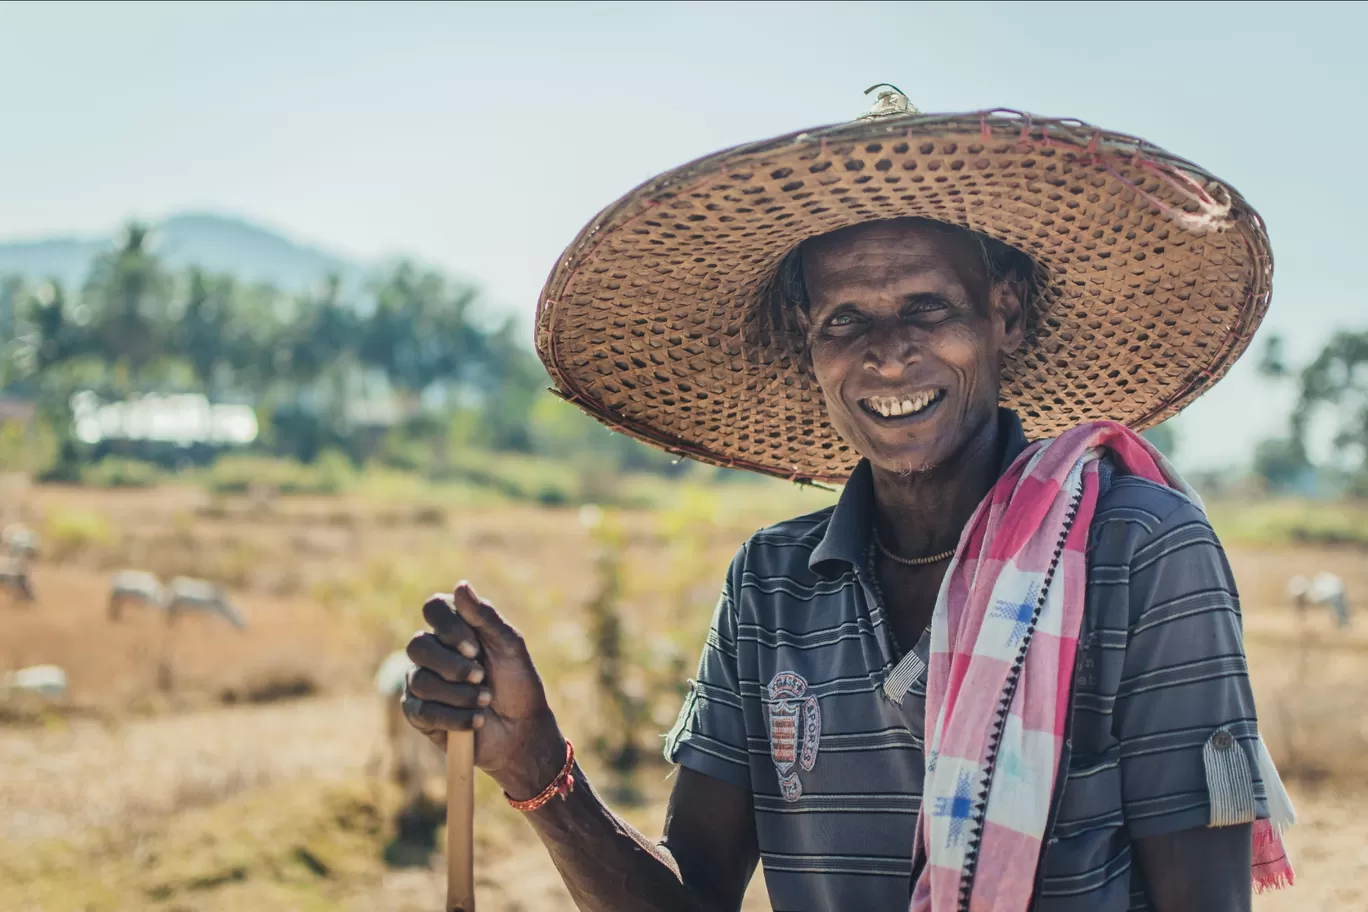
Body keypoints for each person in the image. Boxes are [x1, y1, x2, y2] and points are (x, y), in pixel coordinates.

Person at [400, 87, 1295, 911]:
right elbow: (693, 897)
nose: (889, 353)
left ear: (1006, 315)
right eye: (846, 321)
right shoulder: (771, 586)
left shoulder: (1139, 552)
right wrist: (534, 766)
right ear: (810, 342)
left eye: (928, 308)